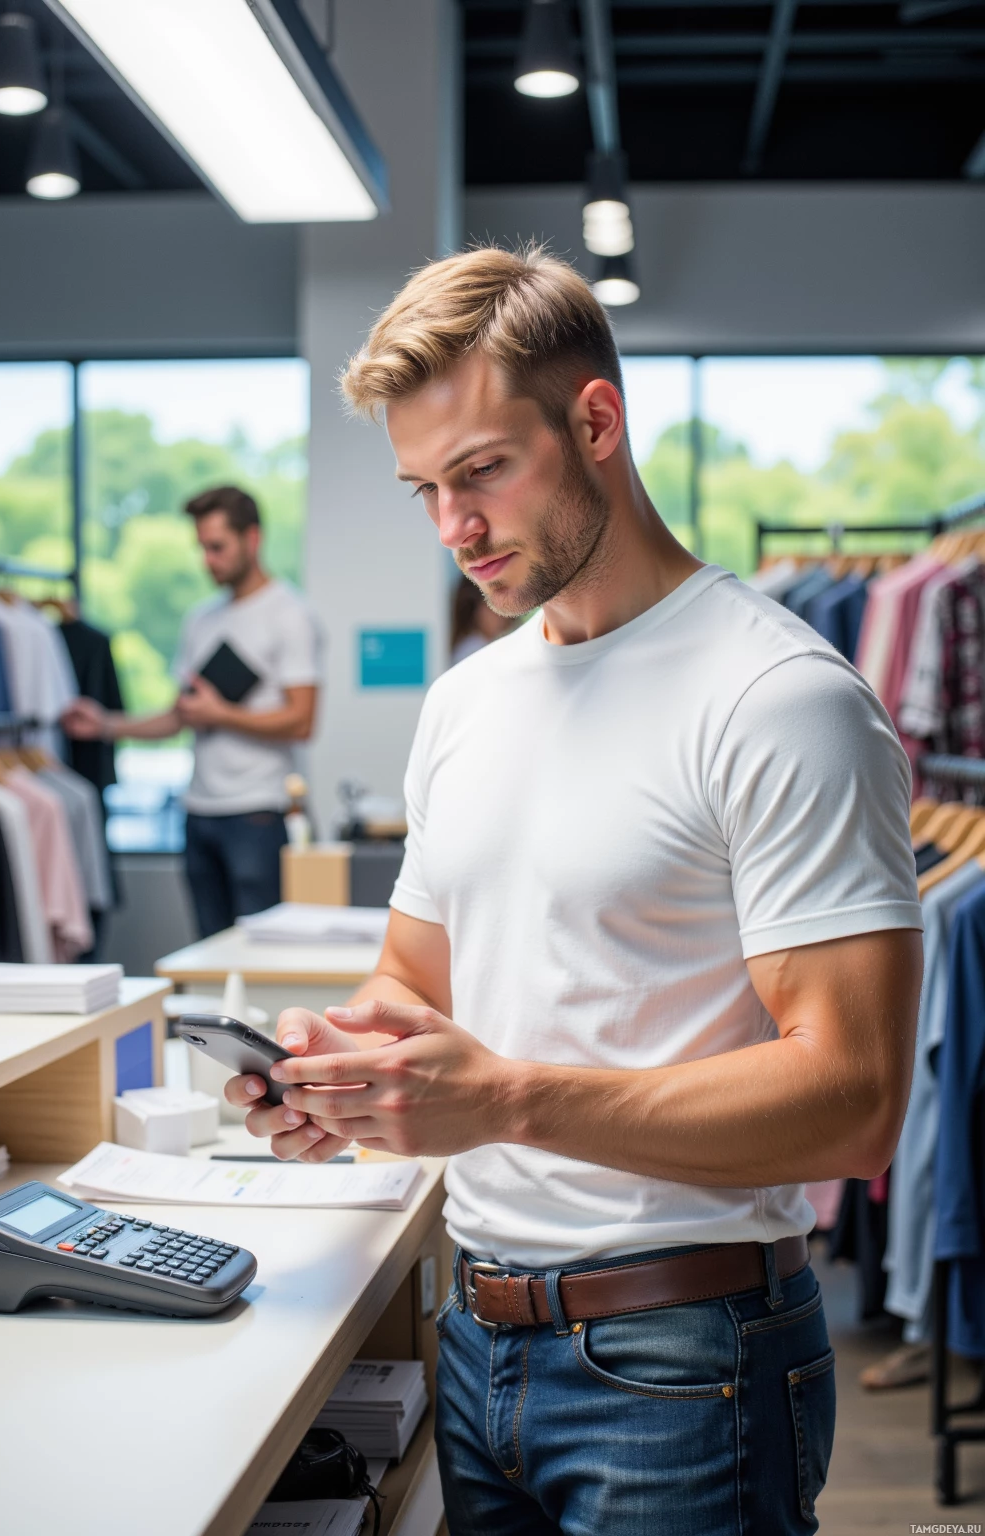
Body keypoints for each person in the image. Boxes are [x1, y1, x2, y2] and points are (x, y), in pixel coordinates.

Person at [224, 248, 923, 1533]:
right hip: (481, 1341)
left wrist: (501, 1098)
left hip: (687, 1359)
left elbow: (856, 1102)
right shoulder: (466, 703)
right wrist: (347, 1070)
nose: (453, 529)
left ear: (595, 421)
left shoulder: (779, 700)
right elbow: (414, 980)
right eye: (424, 488)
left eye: (482, 471)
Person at [64, 485, 321, 938]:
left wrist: (221, 714)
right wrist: (105, 724)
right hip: (198, 811)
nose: (208, 560)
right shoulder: (201, 619)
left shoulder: (289, 614)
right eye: (202, 547)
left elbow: (302, 721)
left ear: (253, 539)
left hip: (257, 813)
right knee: (208, 950)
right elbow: (180, 715)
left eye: (217, 547)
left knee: (262, 953)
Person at [450, 572, 517, 665]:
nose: (502, 615)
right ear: (476, 608)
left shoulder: (482, 645)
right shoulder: (473, 650)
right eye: (494, 606)